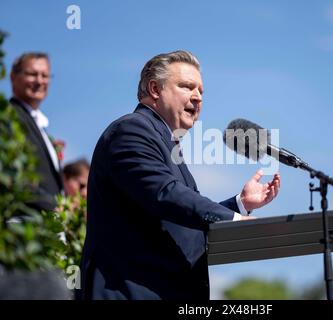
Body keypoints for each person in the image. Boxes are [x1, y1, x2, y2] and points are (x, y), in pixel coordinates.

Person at [80, 50, 281, 300]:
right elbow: (166, 195)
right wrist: (234, 221)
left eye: (201, 91)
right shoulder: (131, 130)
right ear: (155, 89)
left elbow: (181, 221)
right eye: (187, 87)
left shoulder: (166, 142)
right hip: (129, 291)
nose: (197, 97)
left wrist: (239, 203)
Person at [9, 52, 63, 211]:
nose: (39, 81)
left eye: (45, 75)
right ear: (13, 77)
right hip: (22, 223)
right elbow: (13, 175)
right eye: (32, 74)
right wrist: (54, 206)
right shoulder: (10, 117)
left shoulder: (38, 125)